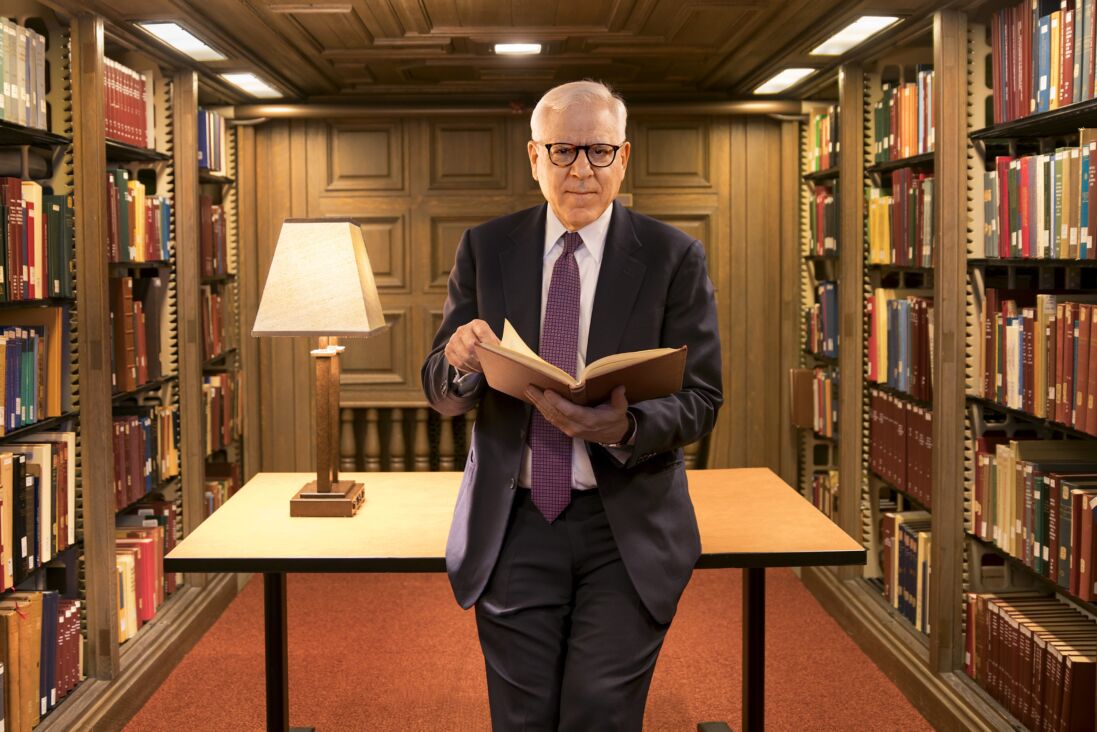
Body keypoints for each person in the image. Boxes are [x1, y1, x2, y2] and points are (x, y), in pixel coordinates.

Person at [421, 79, 723, 731]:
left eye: (598, 151)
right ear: (533, 158)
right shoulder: (485, 248)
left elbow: (701, 400)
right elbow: (438, 391)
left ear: (624, 158)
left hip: (626, 527)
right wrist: (459, 360)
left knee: (598, 715)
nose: (580, 170)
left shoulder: (673, 257)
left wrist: (627, 426)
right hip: (515, 524)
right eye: (562, 151)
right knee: (521, 719)